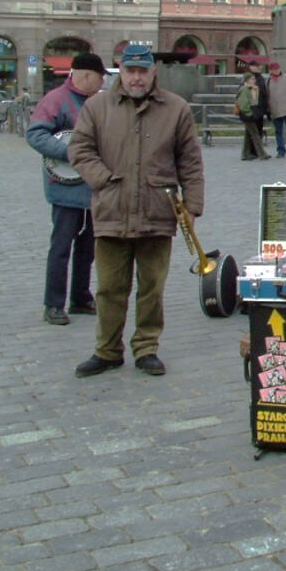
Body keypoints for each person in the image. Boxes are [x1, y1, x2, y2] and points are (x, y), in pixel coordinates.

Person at [67, 44, 205, 377]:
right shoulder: (97, 107)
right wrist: (104, 181)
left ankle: (146, 348)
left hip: (159, 211)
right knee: (109, 288)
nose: (136, 78)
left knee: (151, 289)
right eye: (130, 71)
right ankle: (107, 350)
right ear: (120, 71)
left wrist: (193, 206)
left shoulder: (176, 109)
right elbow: (80, 150)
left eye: (143, 71)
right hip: (112, 210)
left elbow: (190, 161)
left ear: (153, 73)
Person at [26, 52, 107, 325]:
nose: (101, 83)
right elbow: (35, 134)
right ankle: (54, 304)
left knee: (88, 248)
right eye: (99, 78)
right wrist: (69, 153)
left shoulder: (99, 102)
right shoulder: (55, 100)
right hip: (66, 188)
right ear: (85, 75)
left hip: (93, 188)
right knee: (61, 247)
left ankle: (80, 297)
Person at [233, 73, 269, 160]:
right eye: (252, 79)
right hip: (247, 116)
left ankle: (245, 154)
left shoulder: (249, 89)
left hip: (247, 115)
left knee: (248, 135)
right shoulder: (245, 89)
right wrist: (250, 114)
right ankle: (262, 154)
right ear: (247, 80)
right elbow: (244, 105)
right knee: (255, 135)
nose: (254, 80)